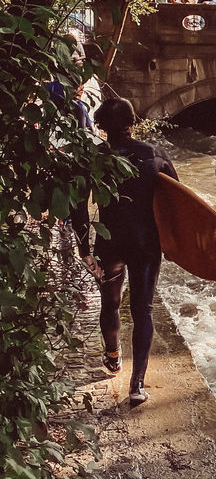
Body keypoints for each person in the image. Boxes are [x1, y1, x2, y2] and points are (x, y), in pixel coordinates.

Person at [70, 98, 178, 406]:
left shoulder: (94, 157)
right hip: (146, 244)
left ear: (100, 126)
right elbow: (178, 203)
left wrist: (84, 251)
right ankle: (137, 386)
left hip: (109, 242)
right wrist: (174, 245)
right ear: (133, 122)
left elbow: (78, 206)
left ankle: (113, 357)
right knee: (142, 309)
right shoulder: (154, 154)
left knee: (111, 302)